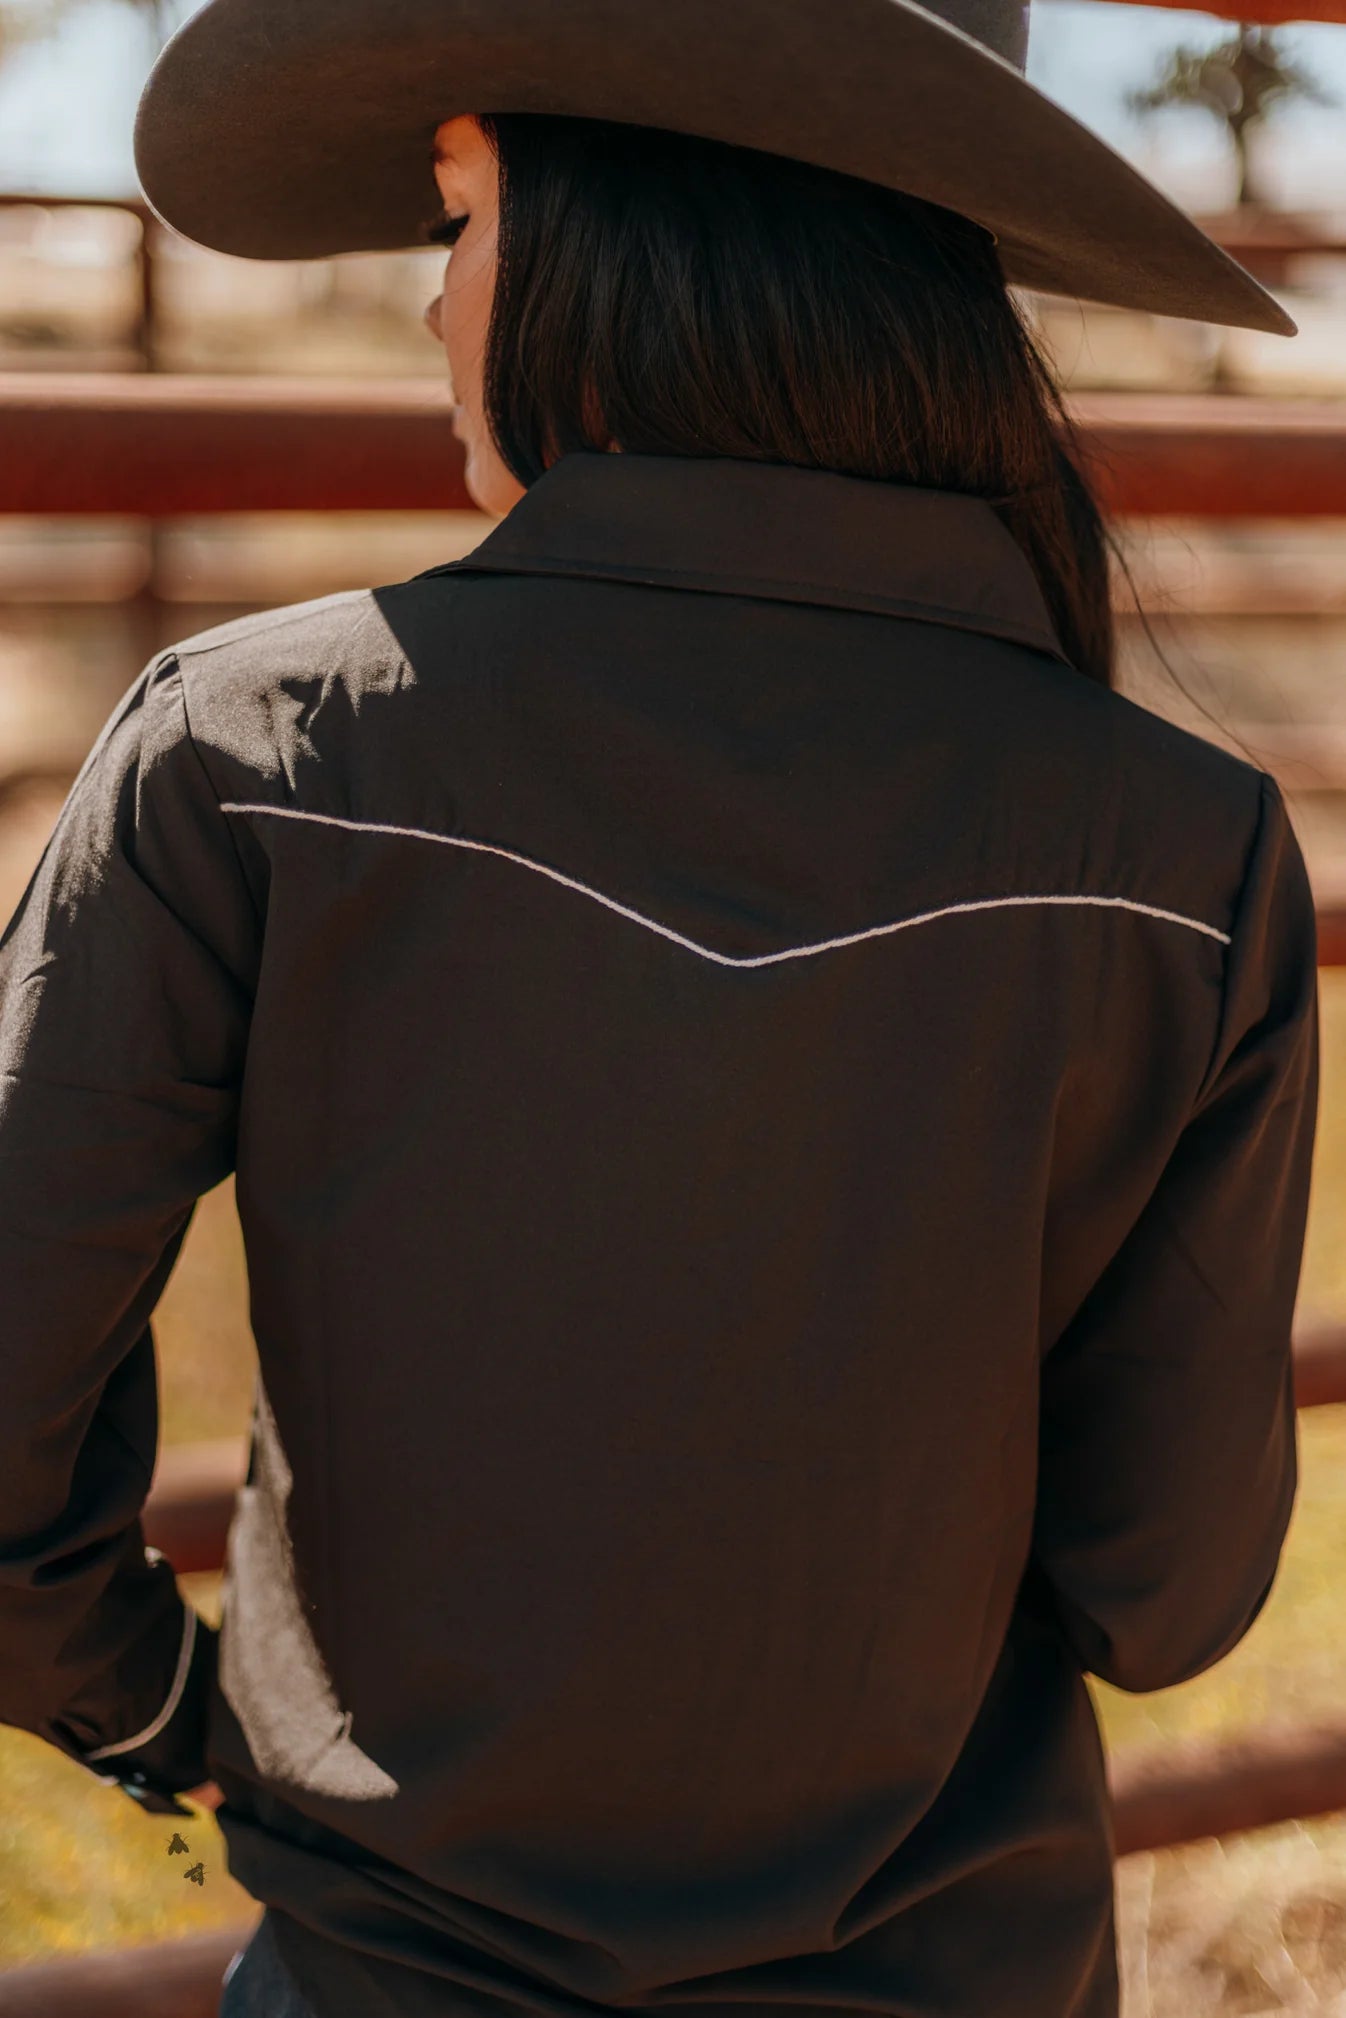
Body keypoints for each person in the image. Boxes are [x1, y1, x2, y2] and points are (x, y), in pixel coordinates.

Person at [0, 2, 1320, 2015]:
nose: (432, 305)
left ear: (631, 238)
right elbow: (1162, 1588)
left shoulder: (253, 752)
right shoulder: (1186, 848)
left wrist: (166, 1712)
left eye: (458, 219)